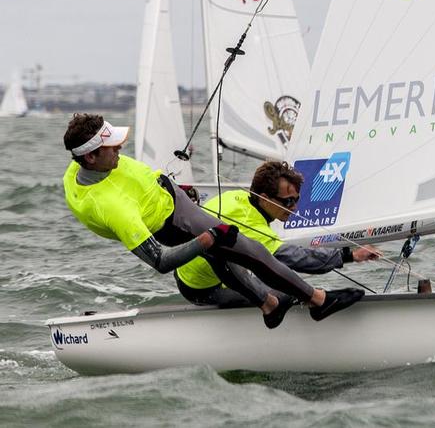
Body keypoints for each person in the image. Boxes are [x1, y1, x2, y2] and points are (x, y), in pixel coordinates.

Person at [61, 113, 362, 329]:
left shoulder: (80, 170)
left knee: (223, 259)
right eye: (112, 147)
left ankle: (269, 305)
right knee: (248, 250)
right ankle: (319, 301)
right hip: (175, 223)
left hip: (173, 203)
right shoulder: (113, 208)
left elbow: (136, 180)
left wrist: (173, 188)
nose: (120, 149)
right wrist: (207, 239)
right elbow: (162, 261)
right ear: (90, 158)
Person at [175, 160, 379, 314]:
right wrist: (350, 255)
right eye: (288, 201)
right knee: (285, 294)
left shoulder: (237, 196)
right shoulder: (251, 224)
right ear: (264, 198)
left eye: (296, 200)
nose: (294, 208)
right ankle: (317, 306)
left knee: (277, 279)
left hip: (203, 271)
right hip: (201, 288)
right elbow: (296, 259)